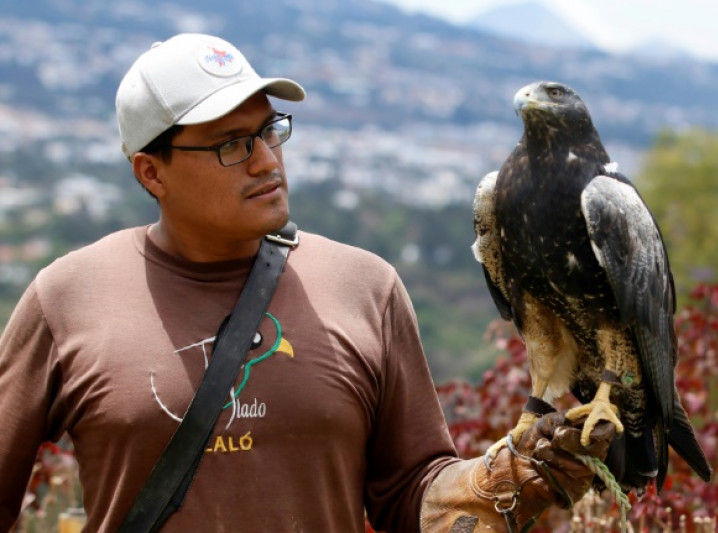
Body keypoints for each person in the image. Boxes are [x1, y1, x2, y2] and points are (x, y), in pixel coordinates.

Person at [0, 33, 612, 532]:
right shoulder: (67, 298)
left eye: (270, 130)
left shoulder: (363, 287)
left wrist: (499, 481)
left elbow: (412, 495)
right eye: (232, 145)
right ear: (151, 172)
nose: (267, 159)